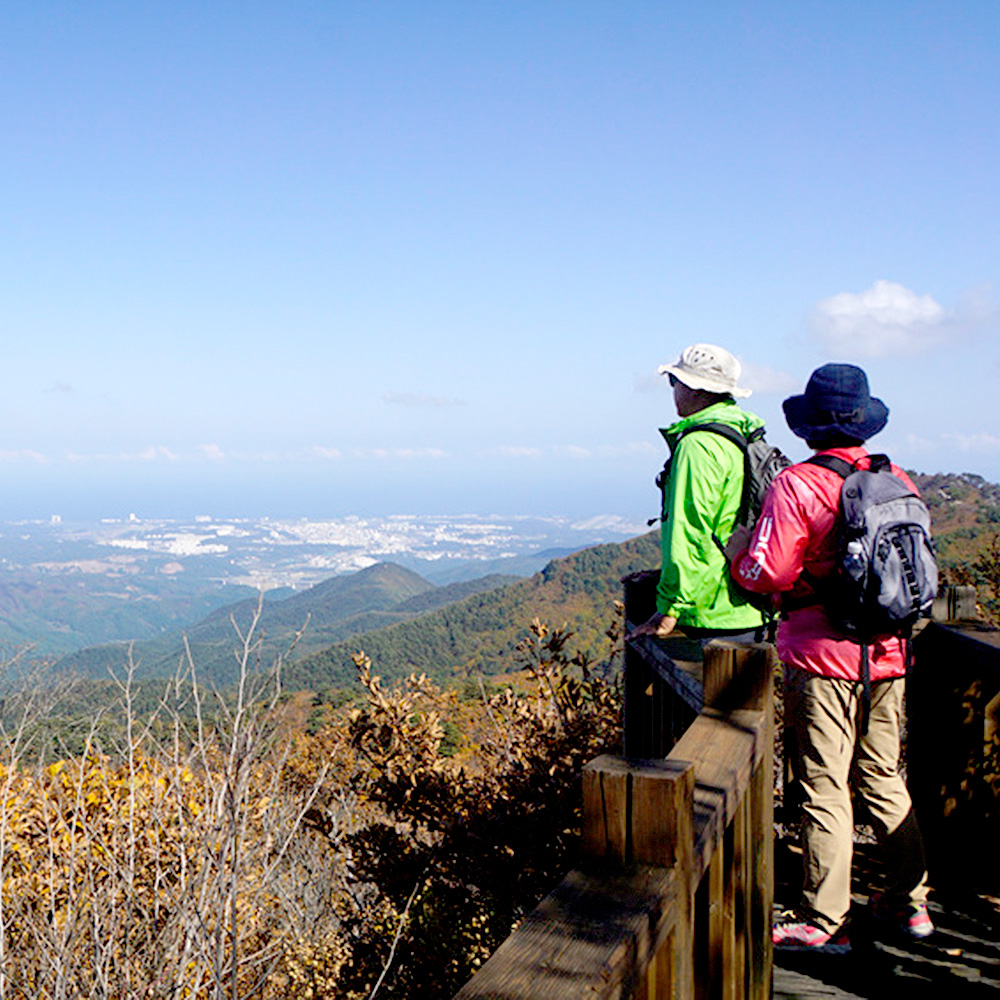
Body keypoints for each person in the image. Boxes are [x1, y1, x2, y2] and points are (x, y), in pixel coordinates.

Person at [727, 363, 933, 952]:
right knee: (883, 779)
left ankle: (824, 921)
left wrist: (741, 556)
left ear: (809, 426)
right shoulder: (897, 479)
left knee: (822, 785)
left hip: (821, 656)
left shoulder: (798, 484)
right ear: (864, 422)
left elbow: (772, 573)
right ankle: (910, 906)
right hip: (890, 655)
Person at [630, 343, 765, 644]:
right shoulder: (740, 434)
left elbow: (690, 530)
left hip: (712, 608)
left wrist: (669, 608)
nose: (672, 389)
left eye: (674, 381)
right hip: (746, 599)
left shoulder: (699, 446)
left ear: (696, 389)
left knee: (717, 690)